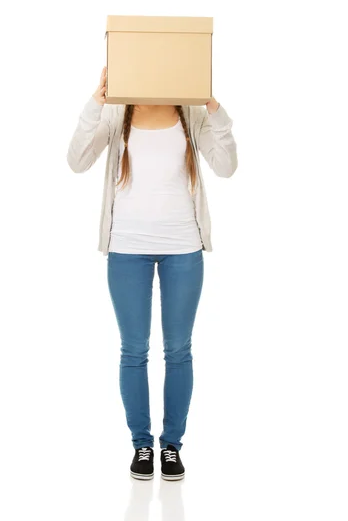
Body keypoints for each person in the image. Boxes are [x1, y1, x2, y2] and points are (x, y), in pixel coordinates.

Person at [67, 66, 238, 481]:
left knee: (178, 349)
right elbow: (76, 161)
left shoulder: (189, 110)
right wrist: (96, 102)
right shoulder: (116, 112)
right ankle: (142, 445)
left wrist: (214, 106)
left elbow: (228, 166)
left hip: (184, 248)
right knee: (134, 350)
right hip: (127, 248)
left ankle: (172, 446)